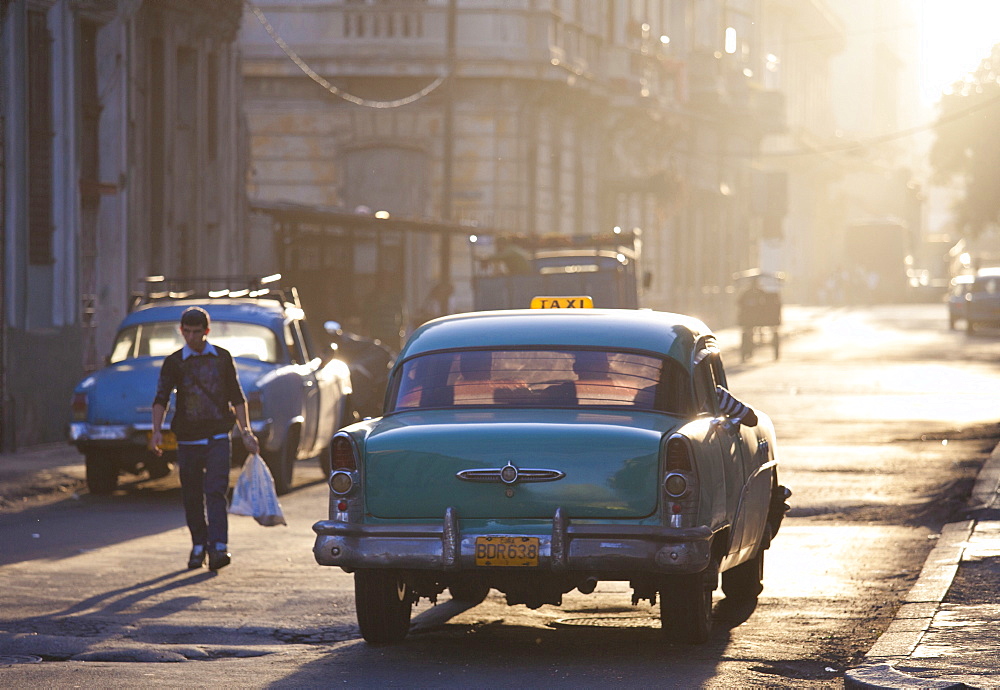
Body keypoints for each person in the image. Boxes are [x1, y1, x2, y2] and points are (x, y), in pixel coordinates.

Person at [150, 307, 259, 571]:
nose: (191, 337)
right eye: (186, 332)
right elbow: (161, 398)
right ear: (181, 331)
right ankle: (199, 545)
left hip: (218, 436)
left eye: (196, 332)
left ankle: (218, 547)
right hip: (187, 439)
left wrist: (246, 432)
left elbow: (237, 396)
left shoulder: (221, 358)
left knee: (215, 491)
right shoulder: (175, 362)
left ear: (206, 332)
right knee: (191, 494)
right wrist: (156, 432)